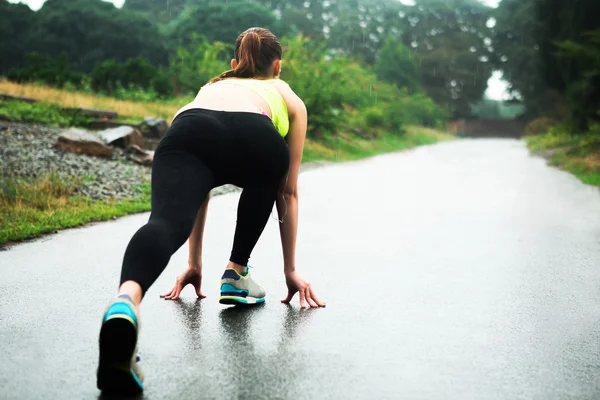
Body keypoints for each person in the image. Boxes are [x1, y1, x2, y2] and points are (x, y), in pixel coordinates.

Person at [96, 27, 326, 395]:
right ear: (278, 67)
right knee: (266, 175)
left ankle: (126, 301)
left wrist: (193, 263)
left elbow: (200, 190)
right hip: (257, 136)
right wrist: (290, 270)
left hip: (189, 129)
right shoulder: (286, 94)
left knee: (165, 222)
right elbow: (289, 192)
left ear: (234, 65)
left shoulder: (209, 90)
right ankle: (236, 272)